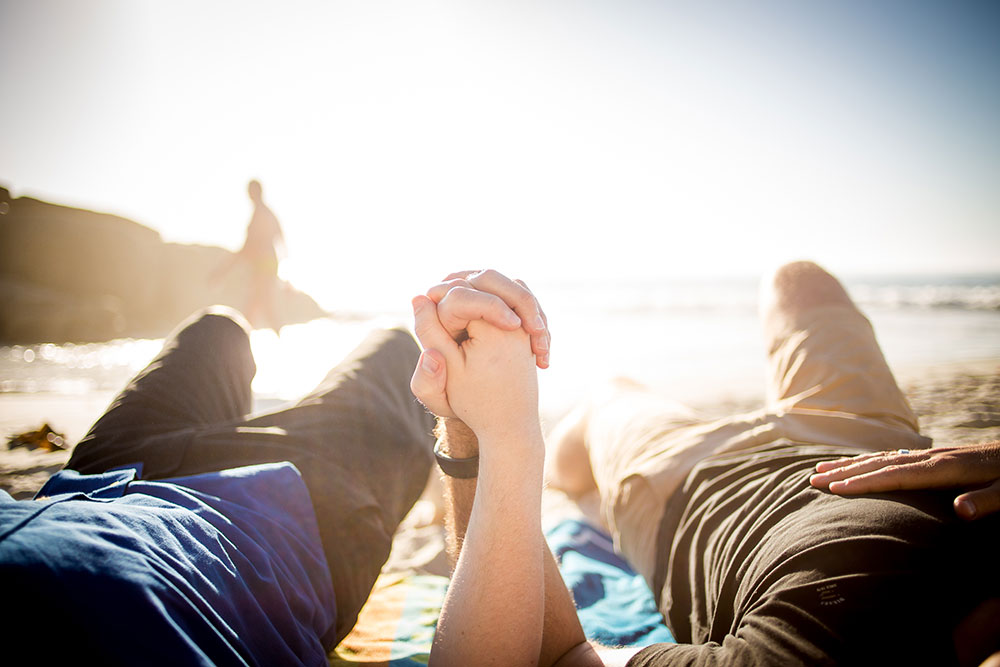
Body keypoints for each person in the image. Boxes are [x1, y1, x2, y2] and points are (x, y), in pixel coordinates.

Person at [409, 264, 1000, 666]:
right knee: (800, 281)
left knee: (611, 396)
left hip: (686, 476)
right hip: (872, 440)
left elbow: (562, 656)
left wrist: (486, 438)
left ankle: (577, 482)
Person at [0, 282, 550, 665]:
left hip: (106, 477)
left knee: (219, 329)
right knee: (397, 352)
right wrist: (498, 429)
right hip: (292, 516)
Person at [211, 179, 287, 332]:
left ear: (254, 192)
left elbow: (248, 246)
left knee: (256, 309)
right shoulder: (267, 213)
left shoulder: (261, 214)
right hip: (266, 266)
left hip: (263, 267)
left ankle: (244, 348)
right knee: (259, 308)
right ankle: (275, 344)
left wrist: (222, 271)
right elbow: (280, 240)